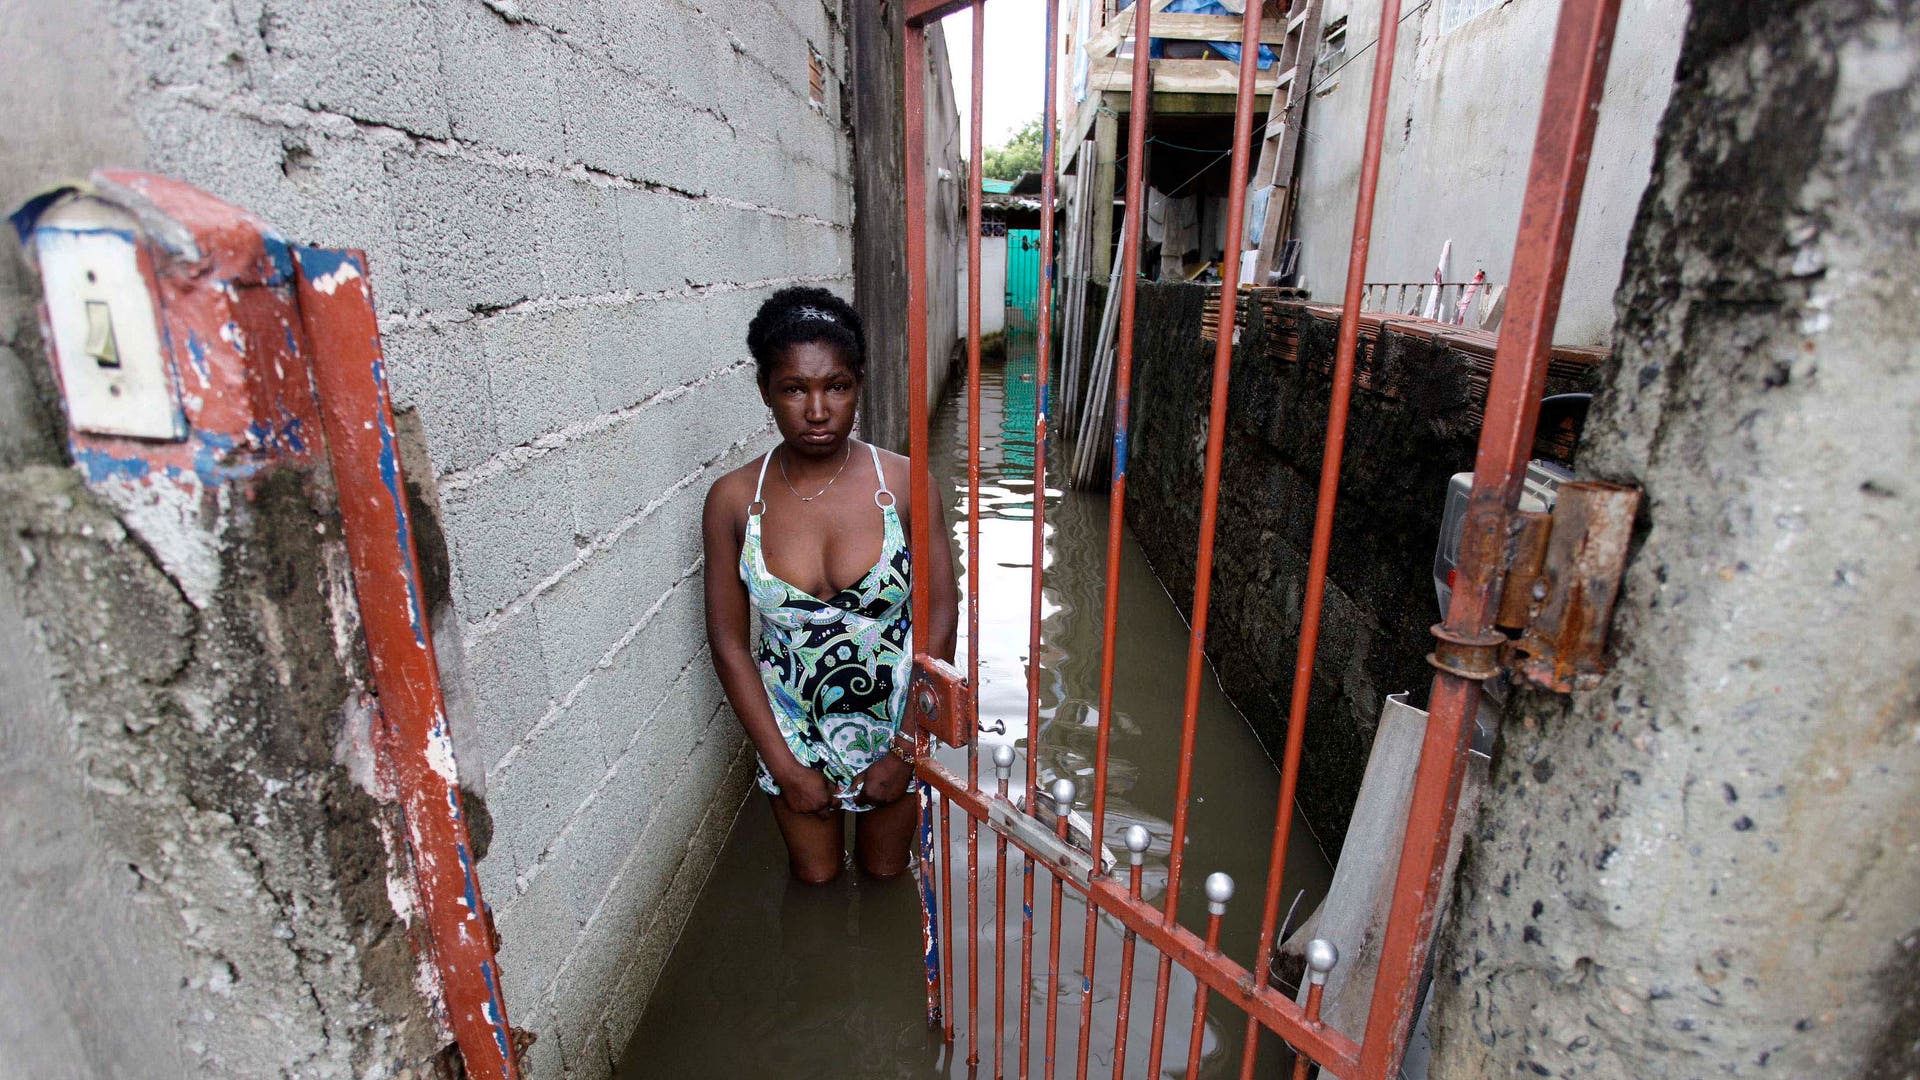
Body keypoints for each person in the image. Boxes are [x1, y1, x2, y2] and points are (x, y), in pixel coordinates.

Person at [703, 287, 958, 884]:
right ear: (765, 389)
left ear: (859, 383)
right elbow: (728, 642)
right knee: (814, 880)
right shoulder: (736, 501)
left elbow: (941, 612)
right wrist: (784, 765)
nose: (817, 410)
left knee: (886, 875)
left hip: (895, 721)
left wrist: (905, 747)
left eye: (836, 387)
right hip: (788, 728)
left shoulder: (903, 484)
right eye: (795, 389)